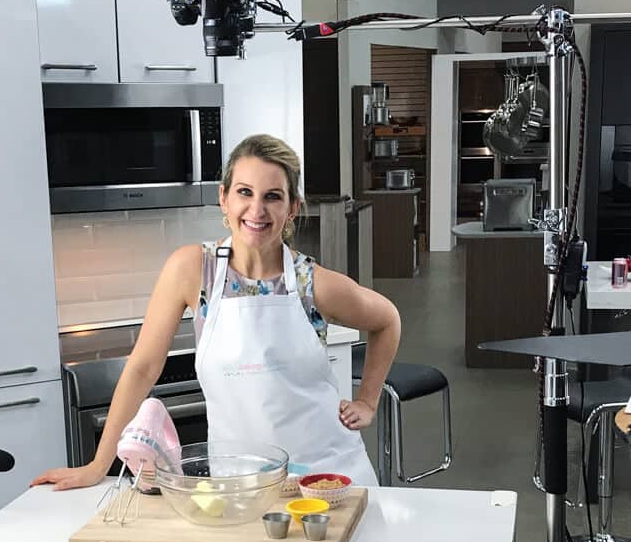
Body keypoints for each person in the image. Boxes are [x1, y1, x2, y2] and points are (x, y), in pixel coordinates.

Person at [32, 134, 400, 490]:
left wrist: (368, 400)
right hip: (241, 485)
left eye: (273, 196)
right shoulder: (193, 270)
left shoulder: (312, 282)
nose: (257, 210)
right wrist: (99, 466)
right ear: (224, 198)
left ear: (292, 209)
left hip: (328, 478)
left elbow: (387, 320)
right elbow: (143, 367)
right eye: (244, 192)